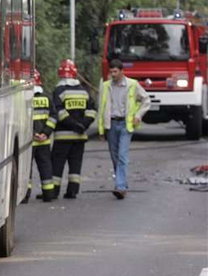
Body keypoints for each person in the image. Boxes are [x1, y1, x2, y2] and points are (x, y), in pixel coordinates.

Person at [97, 58, 151, 199]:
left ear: (122, 71)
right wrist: (101, 130)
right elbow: (101, 108)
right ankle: (121, 183)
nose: (113, 75)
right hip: (111, 125)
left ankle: (120, 186)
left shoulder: (132, 85)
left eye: (115, 72)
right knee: (114, 156)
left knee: (122, 155)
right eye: (111, 72)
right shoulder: (106, 86)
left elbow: (146, 100)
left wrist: (138, 115)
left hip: (126, 125)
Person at [51, 59, 96, 199]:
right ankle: (73, 191)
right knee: (75, 164)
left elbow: (59, 112)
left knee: (57, 164)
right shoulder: (84, 91)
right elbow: (92, 111)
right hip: (80, 137)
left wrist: (73, 125)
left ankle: (54, 191)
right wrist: (83, 125)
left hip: (63, 136)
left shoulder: (58, 91)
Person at [21, 69, 57, 203]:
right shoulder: (47, 98)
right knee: (46, 167)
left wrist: (32, 134)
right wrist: (45, 133)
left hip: (29, 141)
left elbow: (21, 119)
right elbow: (53, 117)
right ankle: (48, 194)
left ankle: (25, 195)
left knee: (26, 169)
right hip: (44, 141)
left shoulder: (24, 99)